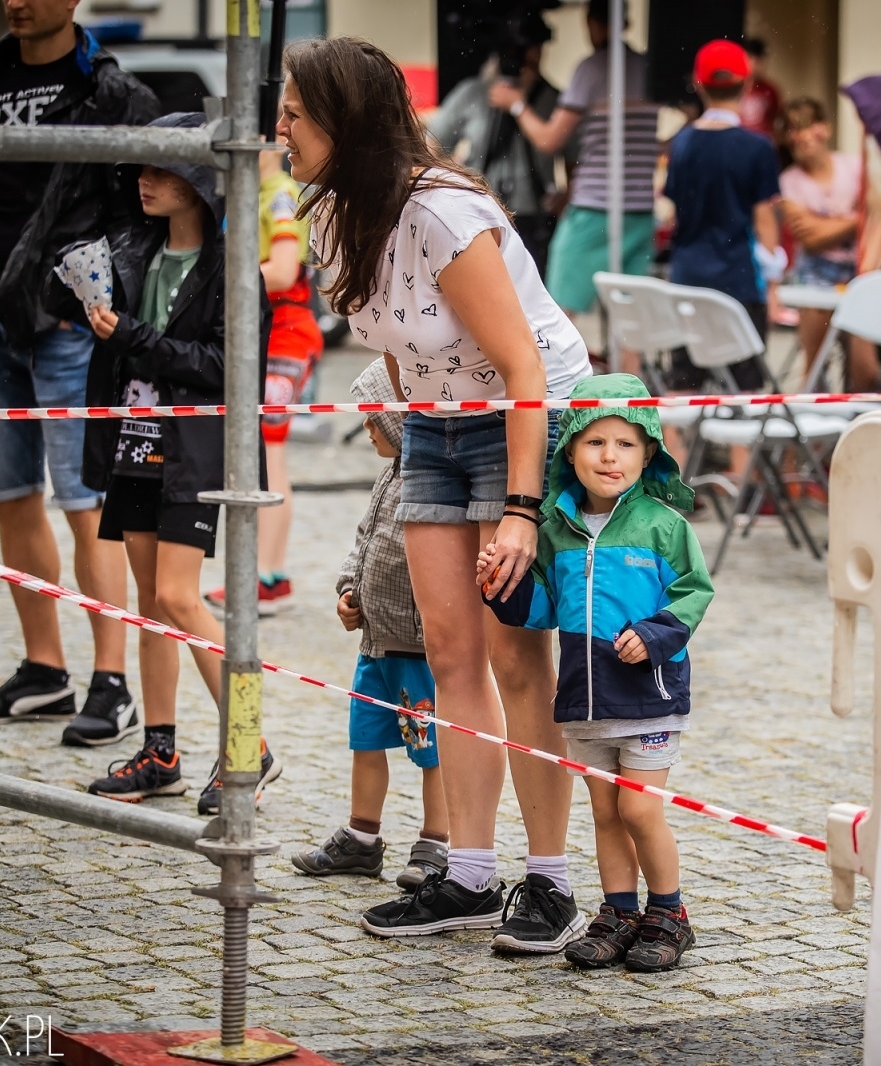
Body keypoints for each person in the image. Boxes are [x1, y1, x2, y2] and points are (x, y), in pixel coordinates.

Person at [280, 36, 592, 954]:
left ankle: (550, 883)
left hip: (516, 414)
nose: (281, 128)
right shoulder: (336, 212)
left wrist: (524, 509)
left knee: (516, 661)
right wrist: (405, 415)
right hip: (433, 424)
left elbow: (523, 363)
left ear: (348, 119)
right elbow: (388, 333)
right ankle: (465, 873)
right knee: (448, 649)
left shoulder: (444, 211)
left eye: (296, 113)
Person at [0, 0, 158, 744]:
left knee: (85, 502)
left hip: (70, 324)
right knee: (11, 495)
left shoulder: (110, 91)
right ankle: (45, 670)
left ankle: (111, 680)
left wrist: (93, 301)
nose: (16, 0)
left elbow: (141, 212)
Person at [68, 114, 279, 809]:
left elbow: (227, 367)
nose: (144, 182)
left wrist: (133, 337)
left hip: (193, 452)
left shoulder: (231, 268)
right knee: (152, 606)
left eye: (161, 170)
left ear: (199, 185)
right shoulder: (132, 252)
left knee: (181, 598)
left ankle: (251, 742)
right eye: (141, 169)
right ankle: (160, 751)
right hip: (132, 444)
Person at [479, 374, 713, 972]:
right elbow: (542, 608)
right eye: (595, 443)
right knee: (605, 812)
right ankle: (619, 913)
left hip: (649, 698)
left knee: (639, 810)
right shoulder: (556, 532)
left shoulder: (664, 526)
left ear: (649, 453)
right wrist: (500, 588)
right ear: (570, 451)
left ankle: (668, 913)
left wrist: (658, 637)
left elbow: (694, 591)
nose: (610, 457)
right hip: (584, 701)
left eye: (627, 444)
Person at [292, 359, 449, 889]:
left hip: (416, 650)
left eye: (373, 419)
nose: (365, 427)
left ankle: (436, 843)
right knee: (366, 741)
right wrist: (347, 590)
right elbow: (364, 541)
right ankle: (362, 838)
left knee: (432, 749)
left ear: (400, 424)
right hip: (375, 646)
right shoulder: (386, 478)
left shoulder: (429, 483)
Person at [202, 146, 323, 617]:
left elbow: (284, 270)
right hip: (268, 331)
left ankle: (267, 577)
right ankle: (267, 575)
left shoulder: (279, 193)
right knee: (263, 449)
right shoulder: (253, 191)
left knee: (267, 451)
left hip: (286, 332)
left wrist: (216, 281)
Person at [489, 0, 660, 316]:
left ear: (594, 23)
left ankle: (559, 367)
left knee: (559, 310)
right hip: (639, 209)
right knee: (632, 316)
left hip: (594, 208)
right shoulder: (648, 67)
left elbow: (549, 140)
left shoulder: (591, 68)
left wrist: (516, 104)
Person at [662, 40, 782, 389]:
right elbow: (764, 220)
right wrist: (774, 285)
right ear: (746, 85)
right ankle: (739, 448)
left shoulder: (681, 143)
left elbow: (675, 213)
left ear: (698, 85)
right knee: (742, 389)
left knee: (681, 386)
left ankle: (677, 447)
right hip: (739, 280)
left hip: (687, 277)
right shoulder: (757, 147)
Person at [427, 12, 562, 276]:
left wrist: (518, 105)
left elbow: (570, 153)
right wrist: (458, 184)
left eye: (533, 48)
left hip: (534, 218)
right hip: (480, 213)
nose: (530, 56)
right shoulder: (473, 93)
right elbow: (430, 147)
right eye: (520, 49)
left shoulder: (553, 99)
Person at [777, 97, 877, 391]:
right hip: (814, 276)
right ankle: (817, 435)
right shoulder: (788, 180)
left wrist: (824, 225)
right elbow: (810, 238)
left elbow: (878, 219)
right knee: (816, 368)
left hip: (858, 273)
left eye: (809, 126)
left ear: (826, 128)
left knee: (865, 371)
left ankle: (856, 429)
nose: (803, 135)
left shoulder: (855, 167)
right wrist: (856, 220)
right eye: (793, 129)